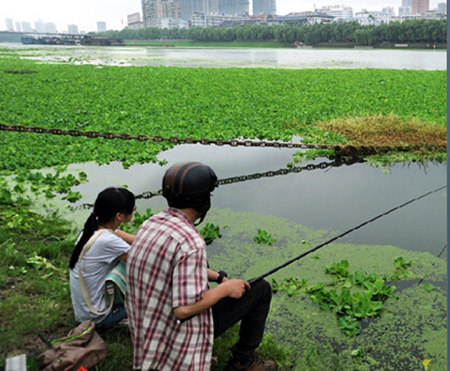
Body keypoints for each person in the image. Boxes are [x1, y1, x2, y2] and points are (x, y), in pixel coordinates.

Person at [126, 162, 276, 371]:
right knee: (261, 290)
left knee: (217, 277)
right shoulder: (191, 242)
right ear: (203, 201)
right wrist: (225, 289)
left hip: (149, 326)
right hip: (175, 330)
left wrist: (219, 278)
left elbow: (172, 265)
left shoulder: (152, 223)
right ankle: (243, 362)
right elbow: (183, 310)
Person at [69, 187, 136, 329]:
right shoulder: (107, 240)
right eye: (132, 209)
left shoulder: (91, 231)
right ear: (119, 216)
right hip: (98, 318)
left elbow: (127, 237)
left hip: (83, 313)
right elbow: (145, 260)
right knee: (150, 294)